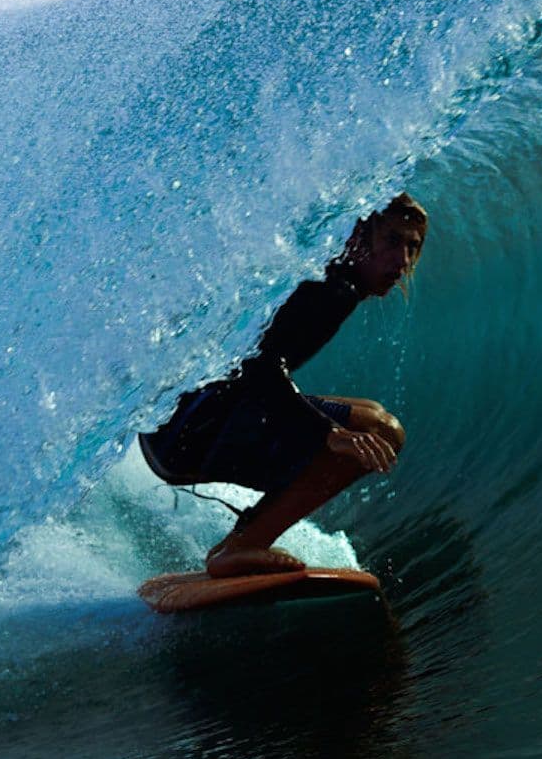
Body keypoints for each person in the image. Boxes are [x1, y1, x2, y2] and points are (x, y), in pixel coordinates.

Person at [139, 194, 428, 577]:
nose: (403, 261)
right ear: (361, 235)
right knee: (379, 431)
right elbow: (255, 369)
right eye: (393, 241)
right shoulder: (334, 290)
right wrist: (329, 433)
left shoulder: (322, 269)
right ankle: (242, 546)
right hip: (187, 436)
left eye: (413, 246)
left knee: (371, 417)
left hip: (170, 427)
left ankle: (246, 536)